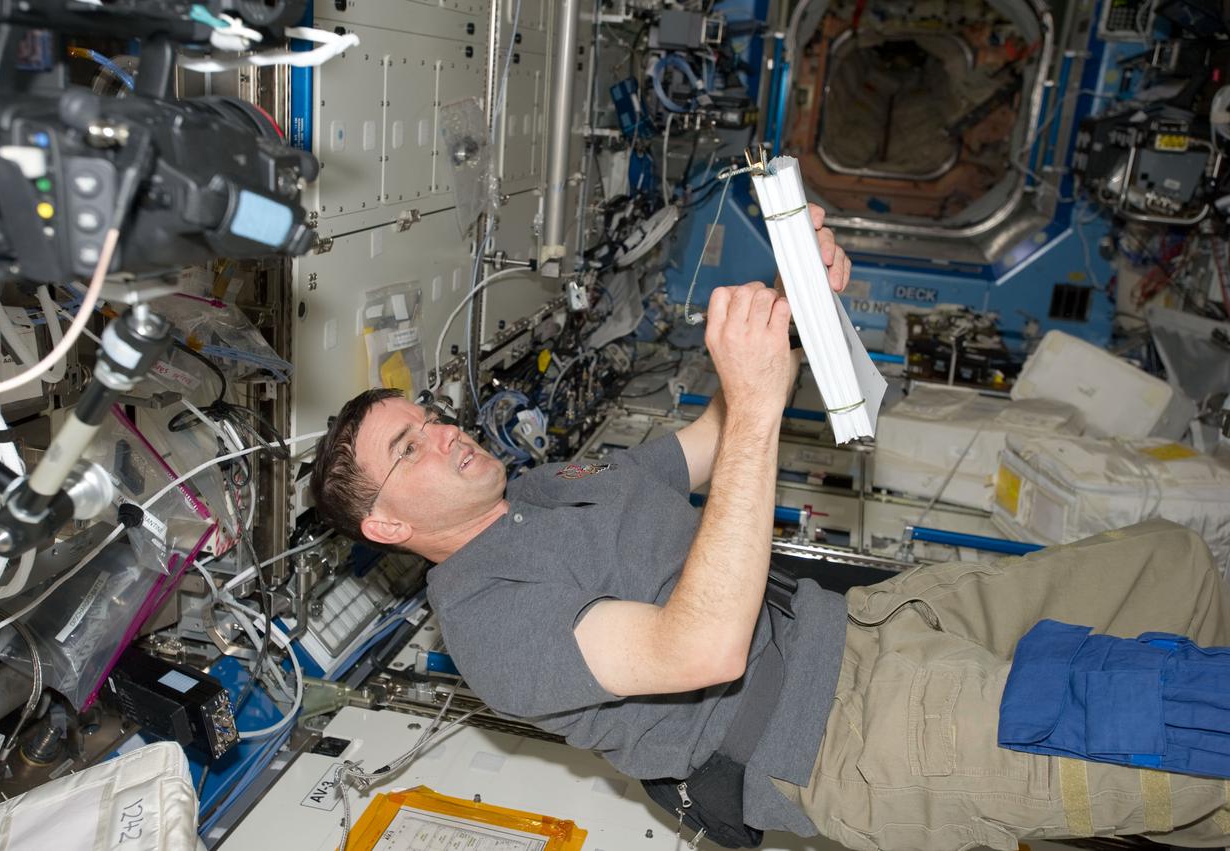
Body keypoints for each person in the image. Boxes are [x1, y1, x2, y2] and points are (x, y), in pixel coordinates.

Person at [309, 209, 1230, 849]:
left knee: (1174, 562)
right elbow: (702, 647)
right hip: (842, 738)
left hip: (866, 627)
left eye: (429, 416)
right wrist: (757, 407)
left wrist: (795, 310)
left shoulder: (546, 487)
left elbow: (712, 440)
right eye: (409, 446)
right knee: (1176, 727)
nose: (445, 431)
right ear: (387, 521)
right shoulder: (488, 619)